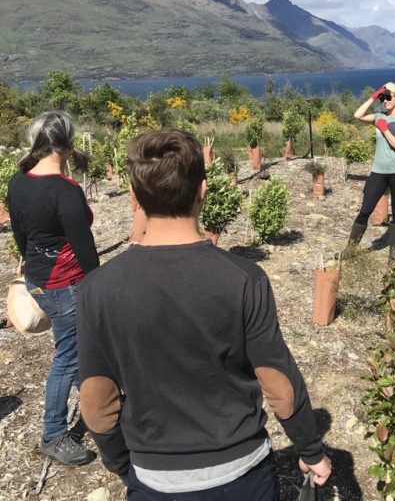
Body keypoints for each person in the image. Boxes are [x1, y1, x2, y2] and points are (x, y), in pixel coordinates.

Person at [76, 129, 331, 499]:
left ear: (133, 195)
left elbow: (96, 398)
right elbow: (279, 383)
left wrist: (123, 465)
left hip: (154, 477)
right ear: (202, 190)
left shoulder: (97, 288)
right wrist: (310, 450)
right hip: (242, 473)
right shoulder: (244, 278)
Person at [7, 110, 99, 466]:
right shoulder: (66, 191)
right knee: (67, 358)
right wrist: (98, 289)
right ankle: (54, 434)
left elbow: (21, 237)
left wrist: (33, 270)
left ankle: (99, 400)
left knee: (74, 347)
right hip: (66, 285)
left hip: (39, 279)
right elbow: (85, 250)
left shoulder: (19, 181)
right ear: (67, 143)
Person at [344, 82, 395, 262]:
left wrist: (384, 129)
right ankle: (349, 250)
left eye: (388, 97)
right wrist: (373, 97)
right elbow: (357, 115)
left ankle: (393, 255)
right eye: (382, 98)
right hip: (379, 171)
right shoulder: (378, 116)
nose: (385, 101)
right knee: (365, 210)